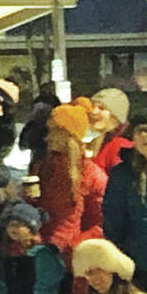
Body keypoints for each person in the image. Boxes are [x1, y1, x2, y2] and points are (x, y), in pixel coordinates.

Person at [103, 111, 147, 294]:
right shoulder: (123, 174)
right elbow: (113, 218)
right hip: (142, 265)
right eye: (138, 132)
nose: (143, 136)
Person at [41, 99, 108, 259]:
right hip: (39, 249)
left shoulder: (92, 175)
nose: (48, 138)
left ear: (70, 136)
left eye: (56, 131)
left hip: (70, 256)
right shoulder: (43, 166)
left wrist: (76, 244)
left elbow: (102, 222)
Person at [94, 90, 136, 175]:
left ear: (115, 116)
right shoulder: (94, 142)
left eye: (101, 108)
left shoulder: (120, 147)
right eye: (92, 107)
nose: (93, 112)